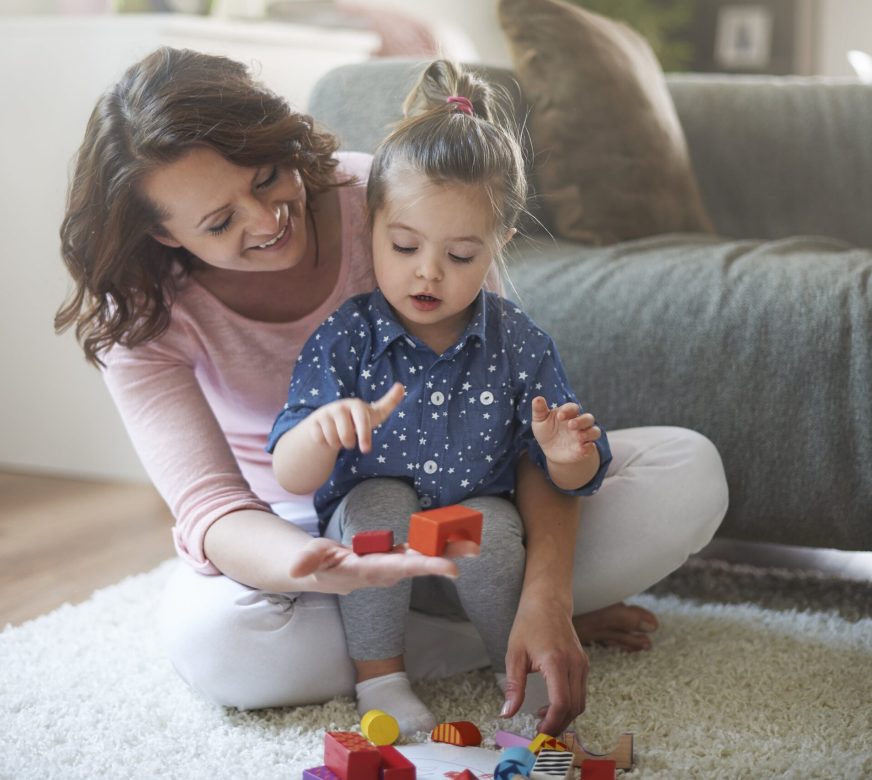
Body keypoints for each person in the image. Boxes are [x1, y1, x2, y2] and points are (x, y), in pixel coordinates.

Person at [56, 46, 729, 738]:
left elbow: (518, 422)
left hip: (480, 506)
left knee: (689, 471)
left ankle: (500, 621)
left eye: (266, 177)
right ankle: (453, 641)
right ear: (161, 232)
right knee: (221, 646)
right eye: (220, 223)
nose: (265, 220)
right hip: (302, 527)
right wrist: (313, 568)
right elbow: (213, 510)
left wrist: (548, 595)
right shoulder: (137, 317)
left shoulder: (395, 201)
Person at [266, 59, 612, 736]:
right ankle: (380, 677)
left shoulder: (518, 341)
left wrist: (567, 456)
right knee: (377, 505)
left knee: (493, 527)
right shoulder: (347, 336)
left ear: (498, 246)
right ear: (371, 228)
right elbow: (290, 472)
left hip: (472, 536)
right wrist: (323, 429)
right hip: (372, 544)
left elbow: (571, 480)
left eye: (459, 256)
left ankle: (513, 664)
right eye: (404, 246)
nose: (427, 272)